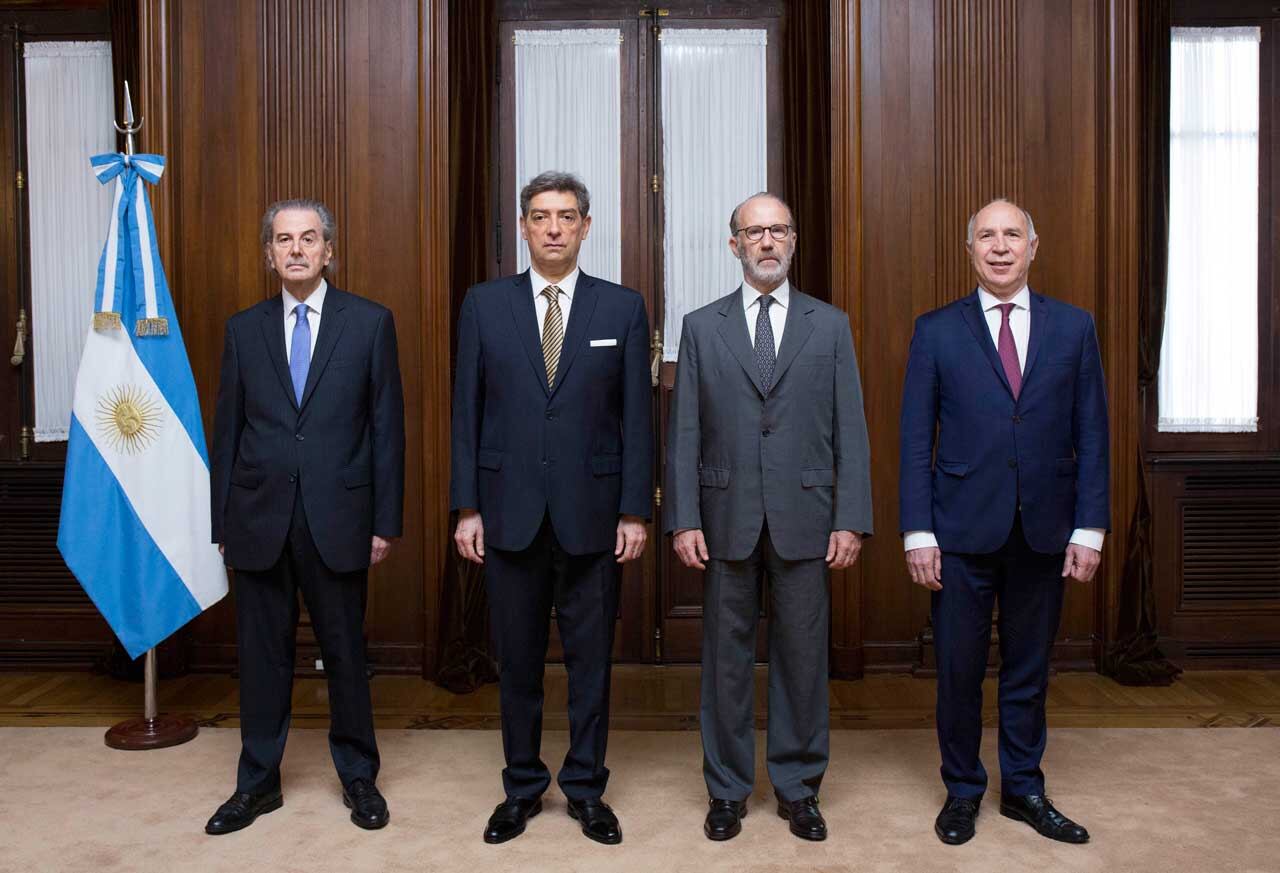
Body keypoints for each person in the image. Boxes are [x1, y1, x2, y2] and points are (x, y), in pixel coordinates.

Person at [450, 171, 652, 846]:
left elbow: (638, 420)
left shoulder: (621, 307)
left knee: (591, 662)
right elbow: (466, 416)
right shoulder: (484, 304)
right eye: (542, 216)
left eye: (567, 216)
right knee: (519, 661)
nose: (555, 227)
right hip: (507, 513)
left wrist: (634, 510)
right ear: (524, 226)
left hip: (595, 516)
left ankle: (587, 788)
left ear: (586, 226)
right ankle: (522, 786)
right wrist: (466, 507)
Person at [899, 198, 1109, 846]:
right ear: (970, 251)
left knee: (1028, 669)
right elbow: (913, 439)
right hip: (959, 531)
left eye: (1010, 234)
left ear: (1032, 246)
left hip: (1045, 529)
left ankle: (1023, 788)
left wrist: (1090, 527)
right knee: (959, 671)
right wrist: (918, 530)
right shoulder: (935, 330)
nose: (998, 245)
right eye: (986, 236)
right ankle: (963, 790)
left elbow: (1093, 433)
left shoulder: (1074, 328)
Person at [664, 193, 873, 843]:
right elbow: (686, 430)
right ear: (734, 245)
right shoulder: (702, 327)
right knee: (724, 663)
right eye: (754, 231)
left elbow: (851, 429)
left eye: (778, 229)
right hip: (724, 513)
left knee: (803, 657)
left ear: (794, 240)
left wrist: (851, 518)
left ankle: (798, 787)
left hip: (808, 515)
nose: (767, 241)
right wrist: (684, 518)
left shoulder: (829, 325)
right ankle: (726, 789)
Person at [206, 199, 405, 834]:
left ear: (328, 251)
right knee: (262, 657)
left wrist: (384, 521)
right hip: (259, 519)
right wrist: (221, 525)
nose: (296, 249)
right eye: (284, 240)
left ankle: (358, 777)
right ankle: (258, 783)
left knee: (344, 652)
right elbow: (228, 433)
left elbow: (386, 431)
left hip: (339, 516)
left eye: (308, 238)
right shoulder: (243, 330)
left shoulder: (370, 323)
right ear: (269, 254)